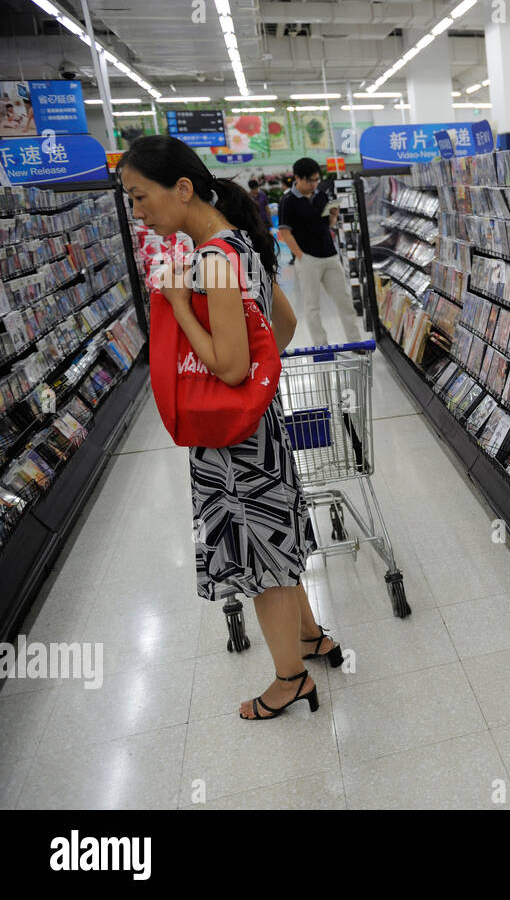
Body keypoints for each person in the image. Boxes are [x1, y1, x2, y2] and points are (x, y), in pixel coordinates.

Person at [117, 135, 341, 721]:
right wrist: (257, 389)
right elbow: (284, 324)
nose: (137, 211)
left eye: (141, 197)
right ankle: (313, 637)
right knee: (279, 538)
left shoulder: (212, 258)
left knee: (261, 556)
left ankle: (289, 679)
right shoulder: (240, 242)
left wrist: (181, 307)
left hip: (233, 440)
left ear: (182, 188)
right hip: (257, 425)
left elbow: (230, 365)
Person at [278, 157, 363, 346]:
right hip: (308, 259)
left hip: (330, 256)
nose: (314, 184)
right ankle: (321, 346)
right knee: (312, 307)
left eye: (316, 180)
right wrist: (301, 257)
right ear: (297, 178)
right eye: (311, 180)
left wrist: (333, 216)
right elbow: (285, 232)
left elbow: (328, 225)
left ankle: (356, 342)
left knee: (345, 301)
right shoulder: (288, 200)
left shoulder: (321, 195)